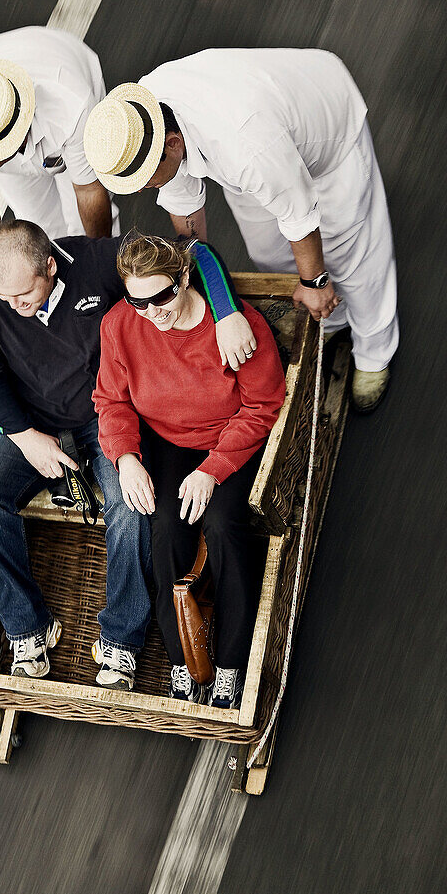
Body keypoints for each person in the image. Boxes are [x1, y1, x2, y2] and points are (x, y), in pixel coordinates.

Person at [0, 220, 253, 690]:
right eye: (2, 294)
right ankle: (27, 627)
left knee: (133, 508)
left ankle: (122, 642)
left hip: (102, 416)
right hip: (25, 425)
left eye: (22, 295)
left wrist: (228, 310)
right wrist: (27, 437)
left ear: (50, 266)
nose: (12, 306)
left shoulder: (95, 262)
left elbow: (194, 251)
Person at [82, 51, 399, 412]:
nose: (140, 191)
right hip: (261, 142)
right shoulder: (142, 119)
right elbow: (187, 218)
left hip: (326, 135)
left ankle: (375, 351)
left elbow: (298, 210)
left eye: (143, 181)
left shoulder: (246, 146)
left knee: (350, 252)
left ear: (172, 145)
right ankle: (332, 322)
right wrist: (200, 289)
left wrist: (315, 281)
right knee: (267, 249)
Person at [93, 233, 286, 709]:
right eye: (139, 302)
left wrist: (215, 469)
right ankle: (183, 654)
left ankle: (231, 662)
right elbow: (112, 401)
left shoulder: (237, 328)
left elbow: (262, 405)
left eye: (162, 296)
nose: (153, 312)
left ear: (184, 278)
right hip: (166, 440)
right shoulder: (121, 325)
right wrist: (127, 458)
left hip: (228, 437)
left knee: (222, 526)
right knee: (165, 530)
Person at [0, 26, 117, 251]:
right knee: (38, 229)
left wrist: (98, 265)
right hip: (11, 135)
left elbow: (89, 191)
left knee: (82, 222)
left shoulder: (73, 107)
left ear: (16, 132)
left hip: (68, 72)